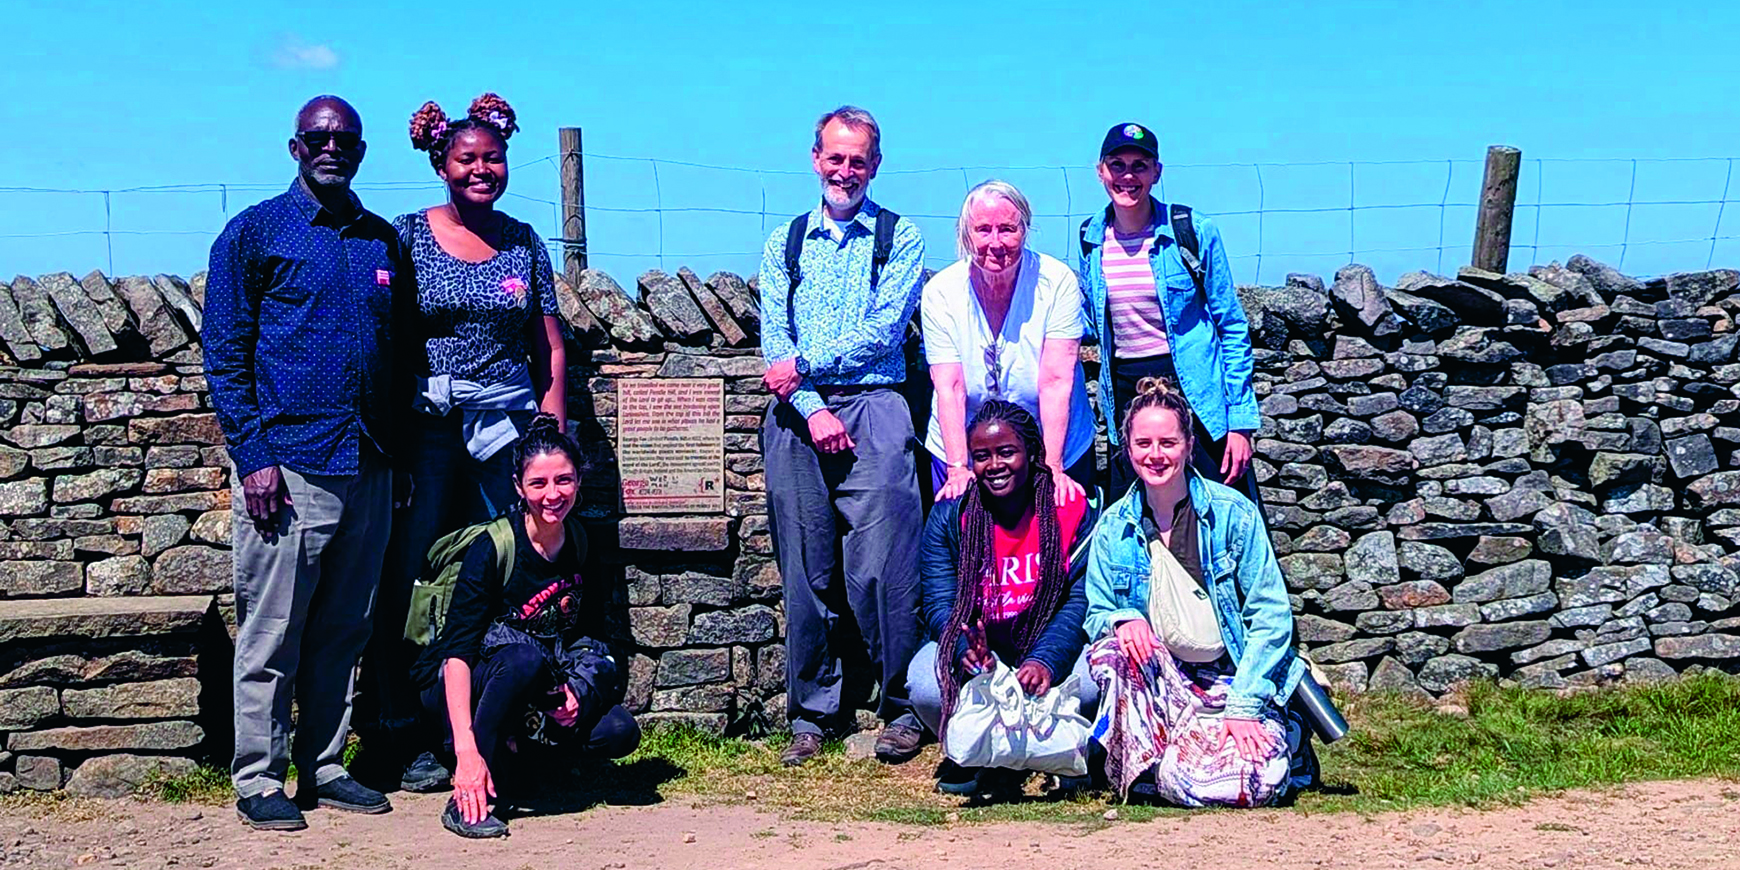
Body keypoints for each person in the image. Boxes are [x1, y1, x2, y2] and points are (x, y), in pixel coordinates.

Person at [203, 95, 411, 831]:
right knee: (271, 633)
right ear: (296, 147)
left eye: (345, 139)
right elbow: (225, 356)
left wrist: (400, 459)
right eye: (318, 137)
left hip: (369, 464)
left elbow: (401, 359)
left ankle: (324, 766)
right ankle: (260, 777)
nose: (332, 148)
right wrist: (252, 458)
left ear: (361, 150)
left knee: (343, 630)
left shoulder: (380, 240)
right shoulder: (255, 234)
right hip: (287, 468)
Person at [359, 92, 566, 793]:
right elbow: (384, 340)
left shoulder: (524, 241)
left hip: (506, 427)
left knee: (503, 568)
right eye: (467, 159)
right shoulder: (407, 235)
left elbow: (549, 345)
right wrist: (392, 438)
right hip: (428, 429)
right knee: (412, 575)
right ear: (441, 165)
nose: (482, 170)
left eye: (493, 159)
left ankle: (492, 725)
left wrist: (550, 430)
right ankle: (404, 731)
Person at [758, 105, 927, 767]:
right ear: (815, 158)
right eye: (836, 157)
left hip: (878, 406)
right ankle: (811, 713)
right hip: (800, 418)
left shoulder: (899, 237)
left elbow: (885, 332)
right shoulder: (786, 243)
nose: (846, 170)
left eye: (858, 159)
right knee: (805, 567)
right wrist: (809, 401)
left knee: (885, 567)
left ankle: (905, 707)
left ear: (875, 165)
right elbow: (776, 339)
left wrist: (803, 366)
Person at [1082, 377, 1313, 806]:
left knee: (1254, 782)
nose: (1155, 455)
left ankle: (1280, 734)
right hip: (1164, 682)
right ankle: (1165, 761)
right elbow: (1096, 610)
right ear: (1127, 449)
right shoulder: (1114, 528)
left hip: (1232, 677)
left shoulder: (1233, 515)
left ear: (1189, 444)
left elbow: (1271, 616)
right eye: (1143, 443)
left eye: (1168, 442)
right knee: (1109, 655)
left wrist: (1243, 707)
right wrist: (1122, 619)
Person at [415, 414, 640, 838]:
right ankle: (470, 793)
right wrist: (466, 751)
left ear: (578, 481)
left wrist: (578, 692)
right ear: (518, 487)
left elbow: (588, 636)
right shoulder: (492, 548)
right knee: (521, 657)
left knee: (617, 732)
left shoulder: (581, 542)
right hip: (469, 683)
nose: (552, 495)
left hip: (539, 683)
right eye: (538, 484)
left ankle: (515, 761)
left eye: (564, 481)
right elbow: (456, 654)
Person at [908, 400, 1097, 794]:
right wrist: (965, 650)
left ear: (1032, 453)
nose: (994, 465)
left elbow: (1080, 600)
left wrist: (1045, 659)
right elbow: (940, 603)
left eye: (1007, 452)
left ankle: (1058, 753)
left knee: (1097, 678)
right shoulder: (950, 516)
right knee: (925, 683)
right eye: (981, 456)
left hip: (1048, 650)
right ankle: (984, 756)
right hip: (985, 659)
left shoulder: (1070, 508)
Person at [1076, 123, 1262, 503]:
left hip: (1195, 390)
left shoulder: (1191, 231)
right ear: (1100, 172)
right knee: (1136, 521)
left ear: (1157, 172)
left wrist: (1240, 423)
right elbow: (1089, 323)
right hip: (1125, 393)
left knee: (1221, 511)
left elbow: (1231, 325)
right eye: (1117, 165)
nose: (1128, 176)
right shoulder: (1090, 238)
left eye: (1140, 166)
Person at [922, 180, 1094, 507]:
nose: (996, 242)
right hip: (967, 448)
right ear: (965, 234)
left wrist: (1052, 468)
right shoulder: (941, 292)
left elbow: (1057, 381)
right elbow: (951, 386)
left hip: (1054, 444)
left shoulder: (1057, 282)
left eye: (1008, 229)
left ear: (1026, 230)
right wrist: (958, 467)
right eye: (983, 230)